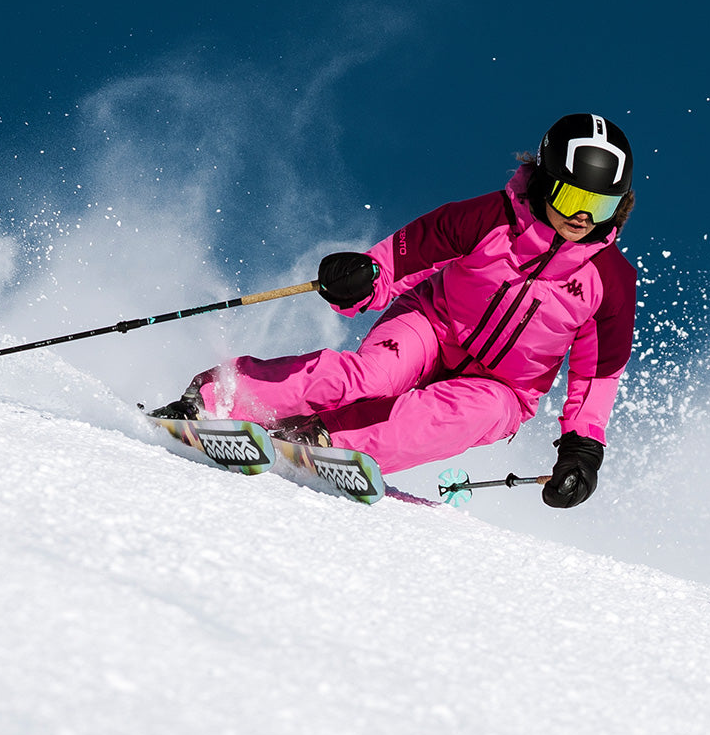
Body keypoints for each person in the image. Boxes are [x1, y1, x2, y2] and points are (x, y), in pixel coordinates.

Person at [154, 113, 637, 507]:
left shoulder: (609, 281)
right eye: (574, 197)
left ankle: (323, 441)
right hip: (433, 322)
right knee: (373, 377)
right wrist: (361, 280)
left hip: (505, 387)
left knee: (458, 417)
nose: (582, 217)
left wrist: (582, 448)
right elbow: (400, 260)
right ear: (547, 182)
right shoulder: (489, 218)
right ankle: (219, 396)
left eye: (600, 205)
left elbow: (597, 377)